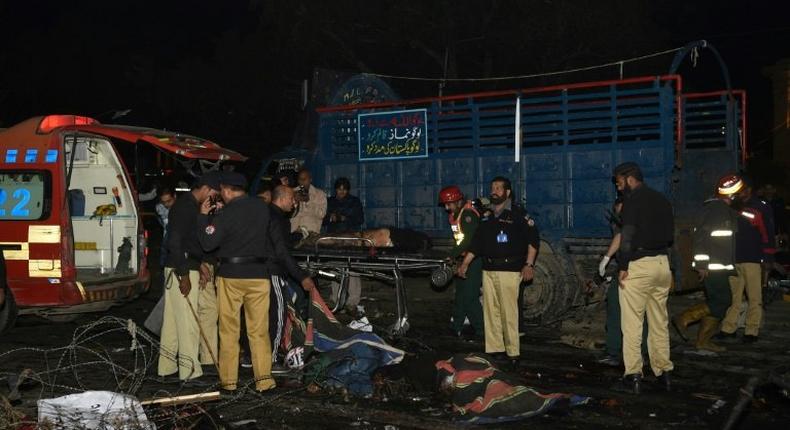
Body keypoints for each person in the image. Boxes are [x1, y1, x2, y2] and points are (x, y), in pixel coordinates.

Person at [197, 172, 315, 392]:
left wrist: (204, 217)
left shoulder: (226, 212)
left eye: (222, 190)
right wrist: (300, 275)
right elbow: (279, 247)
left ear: (228, 190)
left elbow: (207, 243)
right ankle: (264, 381)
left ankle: (229, 382)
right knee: (259, 331)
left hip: (231, 276)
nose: (221, 194)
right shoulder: (263, 209)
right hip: (259, 276)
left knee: (229, 331)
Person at [457, 176, 539, 370]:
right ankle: (495, 351)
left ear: (507, 192)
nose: (493, 191)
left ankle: (513, 353)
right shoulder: (486, 216)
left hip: (509, 270)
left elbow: (534, 239)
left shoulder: (518, 214)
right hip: (489, 270)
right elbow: (477, 243)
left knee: (508, 312)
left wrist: (529, 265)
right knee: (490, 311)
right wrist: (465, 264)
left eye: (498, 188)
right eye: (492, 187)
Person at [611, 162, 674, 394]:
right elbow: (669, 236)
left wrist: (624, 265)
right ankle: (664, 373)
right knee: (659, 322)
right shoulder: (662, 200)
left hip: (639, 266)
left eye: (619, 182)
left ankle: (633, 376)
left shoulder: (632, 201)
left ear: (629, 178)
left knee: (632, 324)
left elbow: (627, 235)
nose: (619, 188)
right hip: (661, 264)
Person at [158, 172, 221, 382]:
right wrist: (184, 274)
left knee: (173, 324)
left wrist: (200, 263)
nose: (214, 198)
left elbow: (188, 242)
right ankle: (190, 372)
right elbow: (175, 243)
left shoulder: (189, 206)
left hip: (179, 266)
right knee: (188, 324)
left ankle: (166, 369)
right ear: (206, 188)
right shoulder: (185, 207)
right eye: (214, 194)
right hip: (180, 268)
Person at [672, 174, 740, 353]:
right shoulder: (715, 210)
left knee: (720, 302)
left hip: (720, 266)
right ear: (732, 194)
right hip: (713, 267)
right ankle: (684, 318)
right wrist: (702, 265)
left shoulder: (722, 210)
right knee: (722, 301)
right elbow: (701, 238)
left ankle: (702, 341)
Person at [717, 181, 776, 343]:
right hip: (735, 258)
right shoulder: (732, 207)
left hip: (753, 259)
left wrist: (768, 258)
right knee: (734, 297)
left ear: (749, 189)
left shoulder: (760, 207)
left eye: (741, 190)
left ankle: (751, 331)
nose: (738, 193)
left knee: (754, 297)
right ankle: (728, 328)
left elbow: (768, 234)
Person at [268, 185, 308, 370]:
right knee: (277, 316)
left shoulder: (264, 214)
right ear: (282, 198)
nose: (294, 203)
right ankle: (272, 359)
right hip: (273, 272)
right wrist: (302, 276)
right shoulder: (278, 219)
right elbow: (282, 252)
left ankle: (254, 356)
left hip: (257, 272)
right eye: (292, 198)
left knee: (260, 318)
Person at [438, 185, 484, 339]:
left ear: (458, 201)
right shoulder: (457, 214)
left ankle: (482, 331)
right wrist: (455, 257)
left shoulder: (468, 215)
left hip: (474, 260)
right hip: (462, 258)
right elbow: (460, 240)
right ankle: (455, 327)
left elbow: (469, 240)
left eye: (448, 204)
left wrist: (451, 255)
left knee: (470, 297)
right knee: (460, 295)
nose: (446, 207)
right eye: (444, 204)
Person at [323, 177, 364, 312]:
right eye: (339, 189)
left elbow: (360, 219)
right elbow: (322, 219)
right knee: (335, 267)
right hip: (334, 238)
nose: (341, 192)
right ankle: (335, 298)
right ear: (335, 189)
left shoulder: (354, 201)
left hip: (350, 237)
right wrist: (330, 218)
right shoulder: (329, 201)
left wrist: (343, 218)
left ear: (347, 190)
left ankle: (353, 301)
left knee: (352, 268)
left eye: (344, 190)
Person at [290, 168, 327, 235]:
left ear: (310, 179)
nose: (302, 181)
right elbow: (287, 214)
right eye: (300, 179)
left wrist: (308, 201)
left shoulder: (320, 194)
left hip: (311, 233)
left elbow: (322, 215)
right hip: (294, 232)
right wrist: (294, 201)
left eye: (304, 179)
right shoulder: (292, 192)